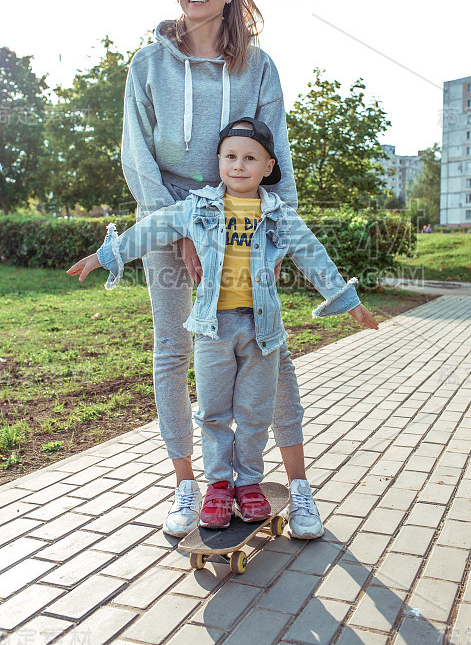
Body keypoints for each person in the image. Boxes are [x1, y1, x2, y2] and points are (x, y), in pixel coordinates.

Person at [107, 0, 330, 539]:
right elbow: (137, 151)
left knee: (269, 349)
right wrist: (178, 225)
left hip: (249, 224)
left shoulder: (258, 66)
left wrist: (275, 237)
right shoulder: (147, 66)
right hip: (167, 220)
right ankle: (188, 484)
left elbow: (276, 153)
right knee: (173, 351)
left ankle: (299, 487)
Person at [67, 119, 379, 529]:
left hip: (261, 333)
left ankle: (249, 484)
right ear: (218, 162)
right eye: (230, 156)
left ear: (268, 166)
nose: (238, 165)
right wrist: (106, 255)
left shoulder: (279, 215)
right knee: (213, 413)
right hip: (212, 332)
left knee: (253, 413)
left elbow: (313, 256)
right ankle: (217, 486)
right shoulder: (198, 206)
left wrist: (347, 300)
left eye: (250, 158)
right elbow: (150, 229)